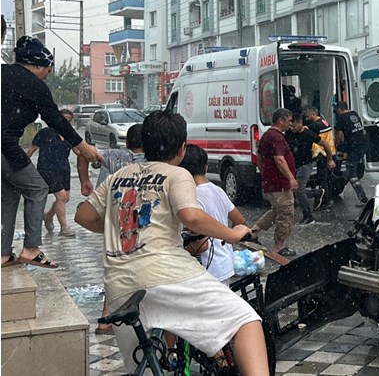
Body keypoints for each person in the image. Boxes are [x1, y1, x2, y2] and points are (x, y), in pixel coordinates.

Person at [74, 111, 268, 375]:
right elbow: (190, 216)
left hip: (119, 286)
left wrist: (126, 229)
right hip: (167, 275)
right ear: (182, 148)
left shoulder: (117, 177)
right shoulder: (176, 174)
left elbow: (83, 216)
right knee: (245, 320)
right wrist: (232, 234)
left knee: (145, 367)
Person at [2, 36, 102, 269]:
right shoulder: (34, 85)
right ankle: (31, 249)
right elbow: (56, 120)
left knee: (10, 193)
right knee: (38, 188)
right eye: (47, 69)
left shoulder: (3, 73)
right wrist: (83, 147)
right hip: (5, 145)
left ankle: (3, 254)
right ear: (37, 65)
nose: (47, 74)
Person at [77, 123, 146, 336]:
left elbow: (82, 151)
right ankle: (124, 317)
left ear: (128, 142)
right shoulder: (151, 160)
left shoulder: (115, 155)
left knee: (116, 266)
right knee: (137, 266)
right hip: (139, 222)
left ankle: (106, 320)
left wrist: (84, 180)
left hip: (115, 217)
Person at [179, 144, 246, 283]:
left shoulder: (191, 196)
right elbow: (239, 220)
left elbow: (201, 244)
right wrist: (226, 239)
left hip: (207, 269)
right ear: (206, 167)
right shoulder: (218, 190)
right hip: (225, 263)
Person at [248, 108, 298, 257]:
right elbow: (279, 159)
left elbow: (259, 157)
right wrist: (291, 178)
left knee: (276, 210)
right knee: (285, 213)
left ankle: (253, 232)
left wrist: (265, 174)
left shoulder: (266, 135)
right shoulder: (277, 138)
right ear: (281, 120)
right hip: (280, 184)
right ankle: (279, 246)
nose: (290, 124)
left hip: (271, 182)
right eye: (289, 121)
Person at [25, 109, 77, 238]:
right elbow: (31, 150)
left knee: (65, 198)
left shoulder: (70, 135)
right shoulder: (45, 133)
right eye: (64, 119)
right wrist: (21, 167)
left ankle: (48, 216)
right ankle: (64, 228)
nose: (66, 122)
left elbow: (79, 150)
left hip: (64, 169)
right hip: (47, 169)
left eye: (69, 120)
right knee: (61, 197)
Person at [285, 114, 319, 225]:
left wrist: (329, 159)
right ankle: (316, 193)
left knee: (299, 190)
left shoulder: (308, 134)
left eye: (294, 126)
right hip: (294, 165)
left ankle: (308, 216)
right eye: (290, 126)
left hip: (305, 165)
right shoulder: (289, 134)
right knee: (292, 190)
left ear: (300, 123)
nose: (292, 128)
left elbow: (325, 144)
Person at [334, 101, 369, 207]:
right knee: (349, 169)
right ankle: (340, 174)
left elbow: (339, 136)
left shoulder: (341, 117)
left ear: (339, 109)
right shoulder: (354, 114)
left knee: (352, 175)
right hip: (361, 146)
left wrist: (335, 145)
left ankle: (363, 198)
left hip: (353, 148)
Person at [303, 108, 336, 207]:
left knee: (323, 179)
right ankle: (329, 198)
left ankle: (325, 201)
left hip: (323, 153)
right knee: (328, 178)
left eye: (308, 116)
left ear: (313, 114)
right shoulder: (324, 121)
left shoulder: (315, 125)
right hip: (330, 151)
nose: (306, 119)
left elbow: (304, 129)